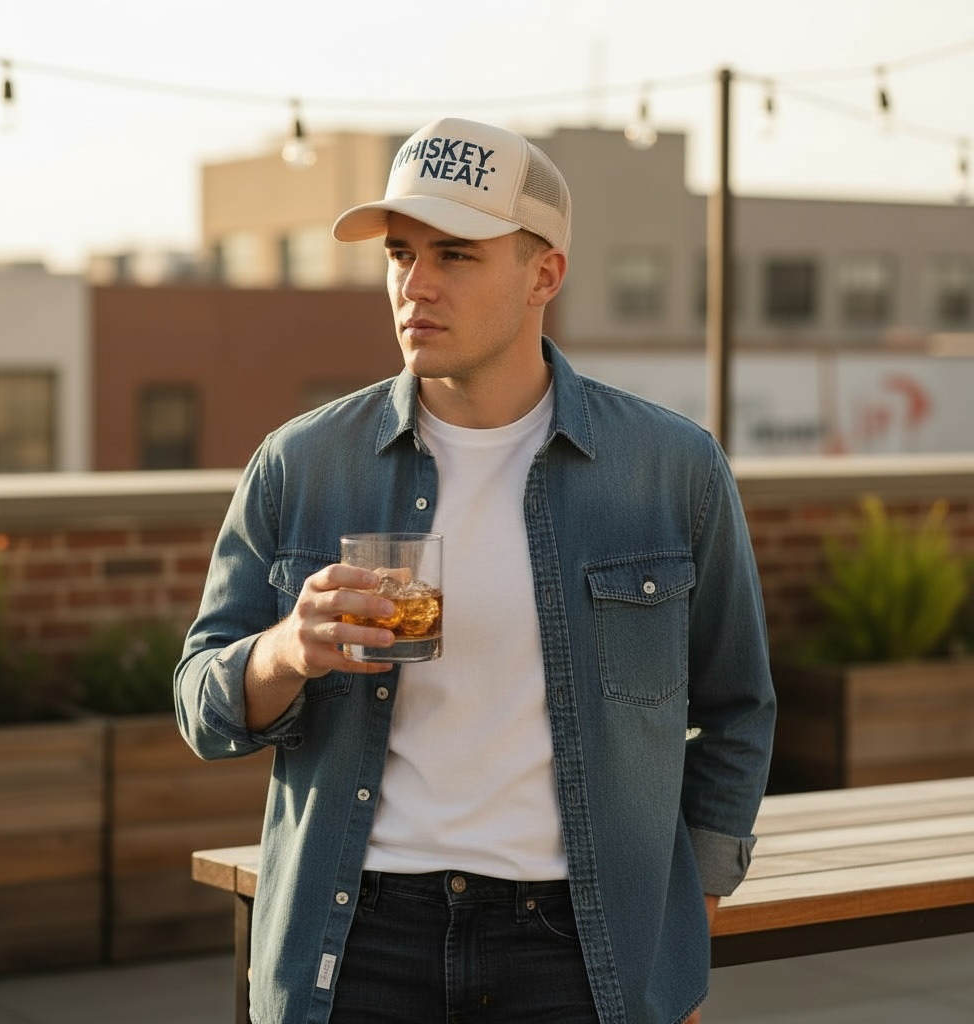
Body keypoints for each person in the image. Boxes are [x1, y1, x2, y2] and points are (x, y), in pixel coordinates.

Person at [175, 116, 776, 1024]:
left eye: (455, 254)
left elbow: (738, 705)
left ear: (545, 274)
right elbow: (199, 704)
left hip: (579, 948)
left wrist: (677, 925)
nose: (415, 285)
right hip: (358, 940)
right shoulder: (303, 464)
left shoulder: (670, 469)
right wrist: (287, 651)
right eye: (401, 253)